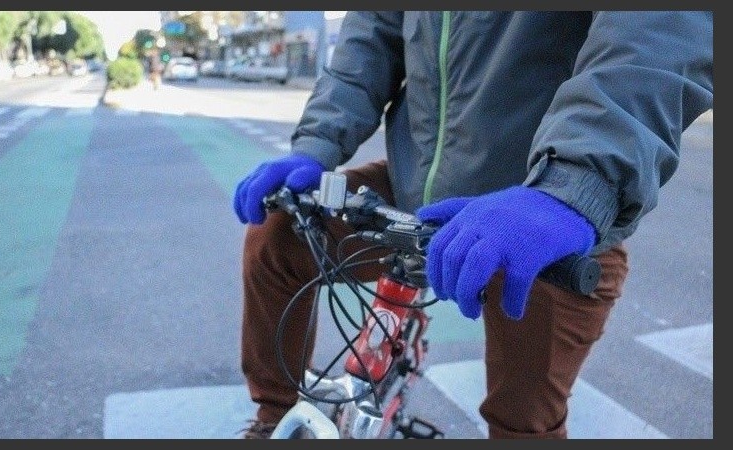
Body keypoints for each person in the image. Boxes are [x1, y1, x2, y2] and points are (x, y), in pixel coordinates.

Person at [232, 11, 712, 439]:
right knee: (277, 234)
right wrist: (314, 145)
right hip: (413, 190)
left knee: (523, 420)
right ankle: (275, 419)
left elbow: (657, 32)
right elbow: (370, 36)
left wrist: (574, 186)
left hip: (538, 212)